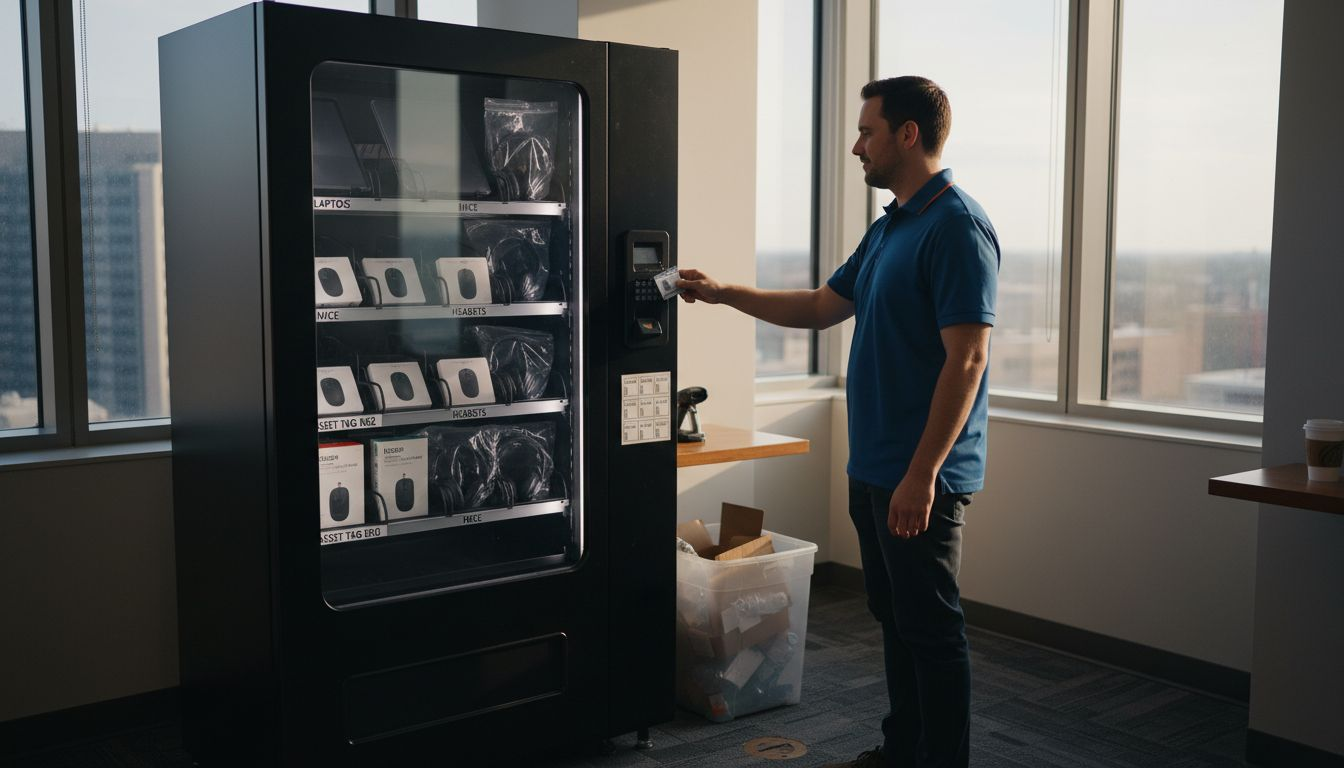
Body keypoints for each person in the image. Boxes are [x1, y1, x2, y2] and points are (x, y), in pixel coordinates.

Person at [676, 76, 999, 768]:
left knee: (932, 631)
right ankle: (903, 747)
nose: (857, 146)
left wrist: (923, 475)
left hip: (920, 476)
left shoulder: (957, 228)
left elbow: (967, 361)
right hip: (876, 465)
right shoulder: (891, 226)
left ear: (907, 134)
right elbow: (822, 305)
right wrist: (724, 293)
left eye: (867, 131)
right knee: (895, 621)